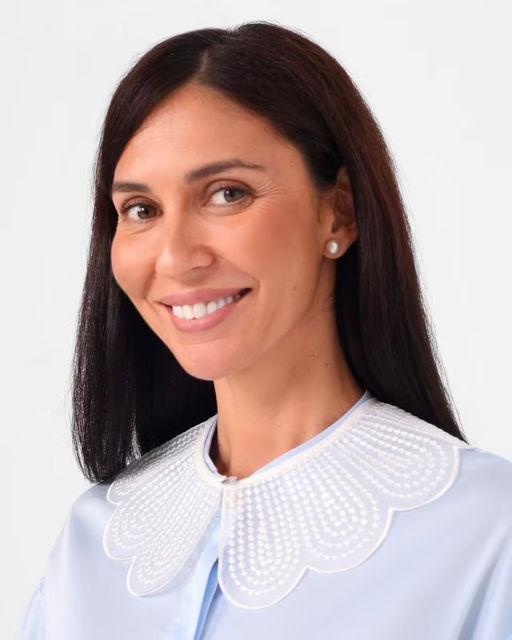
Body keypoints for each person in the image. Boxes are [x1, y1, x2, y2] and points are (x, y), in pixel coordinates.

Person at [16, 21, 512, 640]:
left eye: (227, 194)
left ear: (340, 211)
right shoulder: (93, 542)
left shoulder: (487, 535)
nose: (175, 257)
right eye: (141, 209)